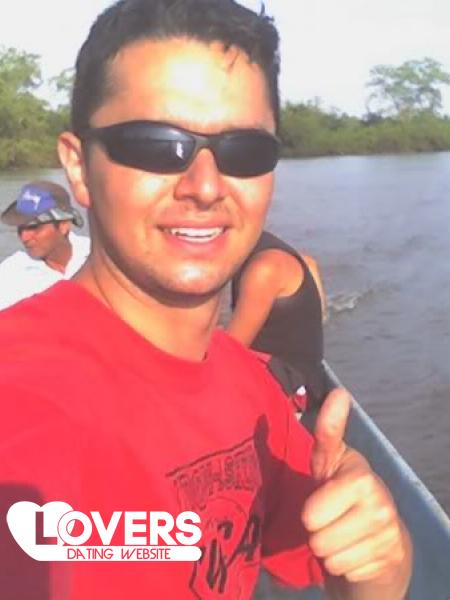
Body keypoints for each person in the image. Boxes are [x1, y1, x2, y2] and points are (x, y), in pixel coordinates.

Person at [0, 1, 412, 599]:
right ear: (79, 167)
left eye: (244, 151)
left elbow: (344, 579)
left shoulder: (254, 393)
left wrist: (381, 567)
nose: (207, 186)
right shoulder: (21, 394)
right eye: (155, 144)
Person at [229, 229, 328, 406]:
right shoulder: (277, 251)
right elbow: (310, 263)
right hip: (312, 379)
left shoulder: (264, 270)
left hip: (290, 392)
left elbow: (229, 354)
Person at [0, 180, 90, 309]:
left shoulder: (99, 257)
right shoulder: (10, 274)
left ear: (64, 225)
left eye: (34, 227)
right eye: (20, 228)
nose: (24, 237)